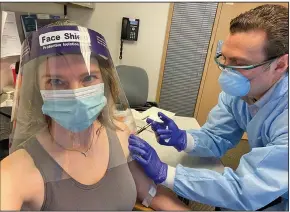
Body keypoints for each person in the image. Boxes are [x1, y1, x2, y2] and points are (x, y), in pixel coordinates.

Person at [0, 20, 189, 211]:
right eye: (56, 81)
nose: (75, 94)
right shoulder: (16, 172)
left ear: (105, 83)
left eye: (88, 78)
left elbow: (151, 194)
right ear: (37, 91)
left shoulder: (121, 135)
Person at [129, 4, 288, 211]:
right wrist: (183, 138)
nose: (227, 72)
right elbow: (217, 137)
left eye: (239, 63)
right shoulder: (241, 93)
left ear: (280, 65)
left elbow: (245, 189)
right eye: (225, 59)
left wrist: (164, 173)